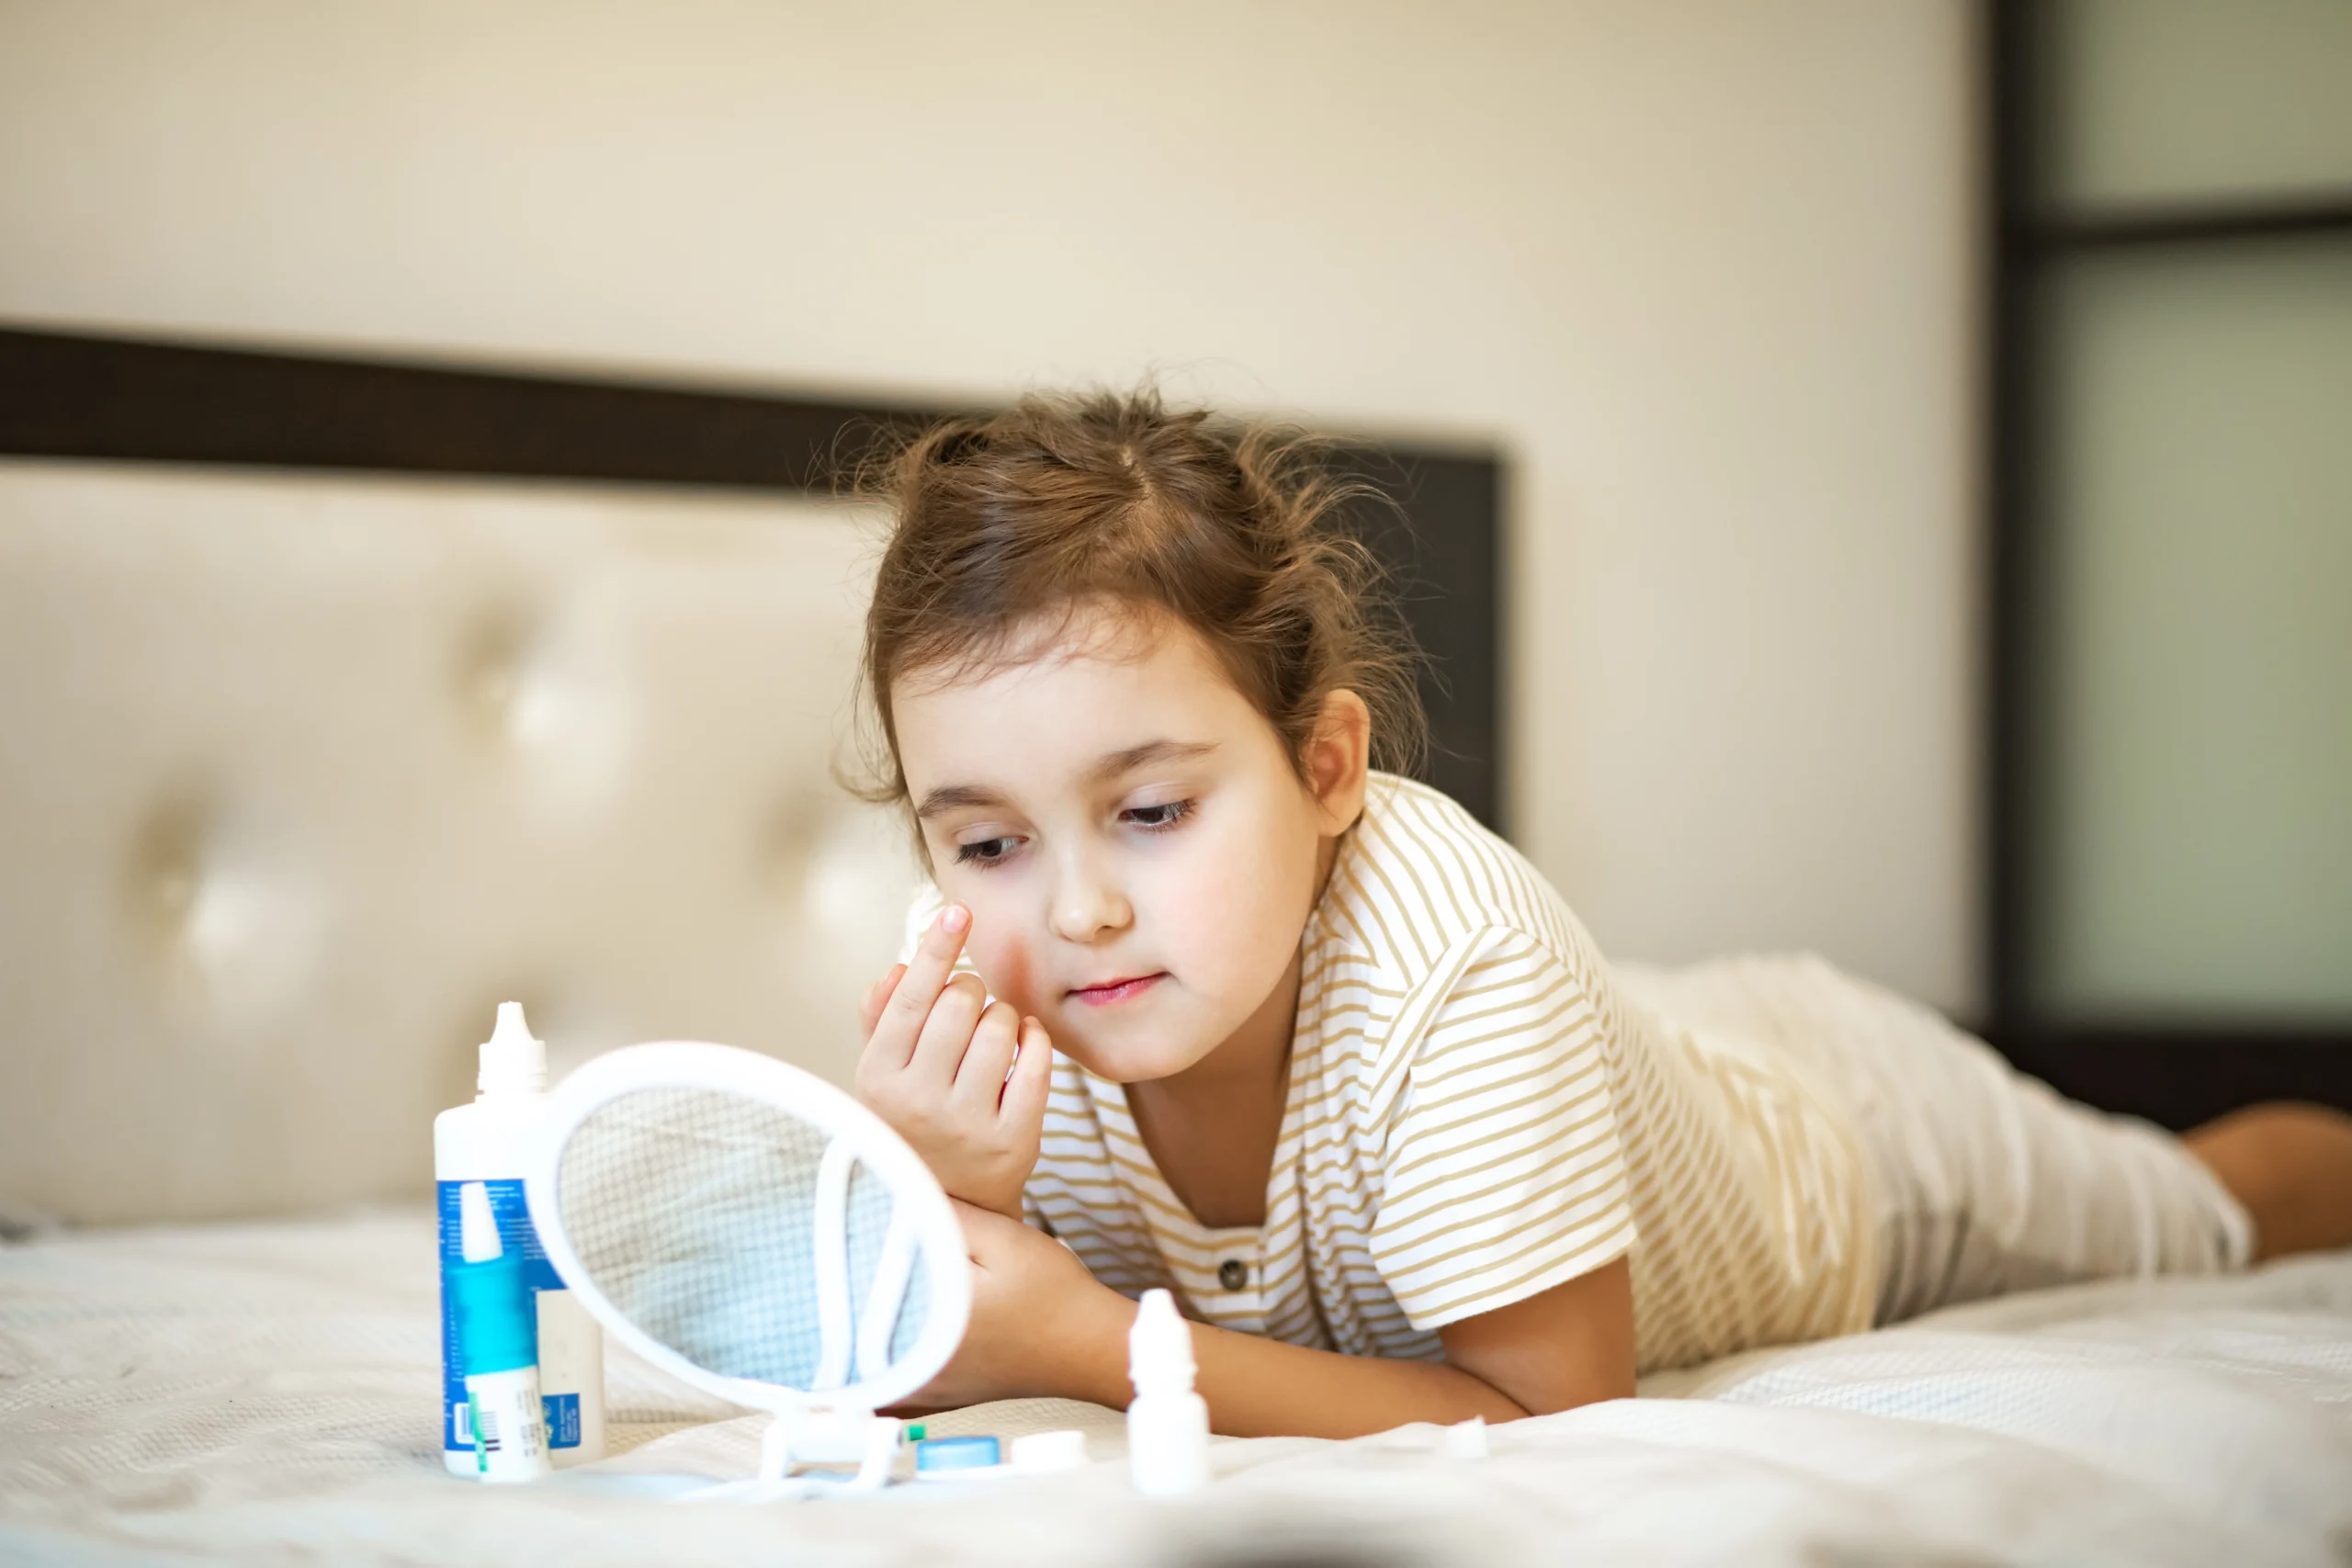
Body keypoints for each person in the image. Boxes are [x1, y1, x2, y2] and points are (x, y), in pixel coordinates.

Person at [843, 389, 2352, 1440]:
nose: (1084, 907)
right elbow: (874, 1361)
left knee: (2204, 1209)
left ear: (1325, 767)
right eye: (985, 840)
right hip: (1598, 1058)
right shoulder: (987, 1003)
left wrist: (1089, 1346)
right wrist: (945, 1195)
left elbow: (1555, 1412)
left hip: (1837, 1148)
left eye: (1155, 811)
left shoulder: (1459, 960)